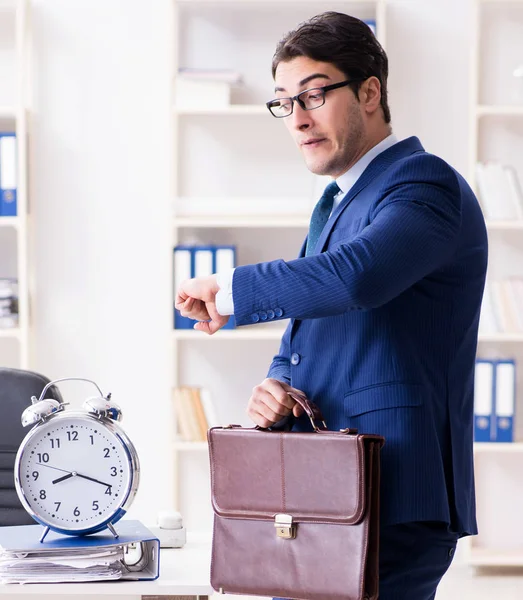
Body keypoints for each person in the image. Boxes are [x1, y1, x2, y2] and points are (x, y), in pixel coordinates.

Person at [175, 11, 488, 600]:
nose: (297, 119)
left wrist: (233, 290)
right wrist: (278, 387)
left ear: (370, 91)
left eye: (314, 95)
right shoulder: (340, 202)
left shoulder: (423, 185)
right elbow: (319, 326)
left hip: (392, 496)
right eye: (283, 103)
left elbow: (357, 279)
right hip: (325, 494)